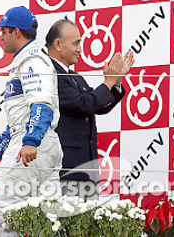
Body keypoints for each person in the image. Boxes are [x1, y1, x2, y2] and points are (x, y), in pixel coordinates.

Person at [0, 6, 61, 215]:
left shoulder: (32, 62)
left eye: (3, 31)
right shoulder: (28, 61)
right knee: (46, 218)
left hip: (32, 146)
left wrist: (30, 141)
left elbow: (42, 105)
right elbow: (19, 120)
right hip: (41, 143)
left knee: (1, 211)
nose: (1, 37)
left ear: (16, 32)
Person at [46, 18, 133, 200]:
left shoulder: (73, 76)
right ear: (58, 44)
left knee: (84, 226)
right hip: (66, 170)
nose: (80, 49)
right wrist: (108, 81)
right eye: (76, 43)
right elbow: (85, 104)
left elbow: (96, 105)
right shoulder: (50, 74)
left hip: (86, 169)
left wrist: (115, 82)